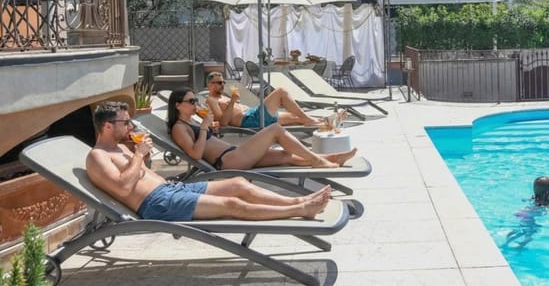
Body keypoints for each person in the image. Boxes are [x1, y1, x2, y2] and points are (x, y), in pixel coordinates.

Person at [85, 102, 331, 221]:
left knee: (238, 183)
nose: (130, 126)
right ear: (107, 126)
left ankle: (299, 199)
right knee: (231, 203)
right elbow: (124, 187)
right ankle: (300, 210)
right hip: (157, 203)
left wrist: (141, 155)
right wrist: (139, 154)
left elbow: (138, 174)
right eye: (125, 122)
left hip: (171, 189)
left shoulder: (119, 147)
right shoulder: (98, 156)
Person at [168, 88, 357, 170]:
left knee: (285, 155)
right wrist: (203, 129)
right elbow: (195, 154)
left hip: (235, 154)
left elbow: (206, 142)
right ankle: (319, 161)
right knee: (275, 129)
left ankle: (333, 158)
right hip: (228, 160)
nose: (195, 103)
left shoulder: (191, 121)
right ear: (178, 105)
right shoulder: (179, 128)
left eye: (195, 100)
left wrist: (209, 129)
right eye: (191, 101)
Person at [205, 71, 323, 128]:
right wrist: (232, 101)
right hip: (250, 119)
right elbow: (223, 123)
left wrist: (233, 101)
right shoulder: (211, 100)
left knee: (296, 118)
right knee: (281, 91)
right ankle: (309, 119)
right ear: (210, 85)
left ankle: (324, 121)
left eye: (223, 82)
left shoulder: (222, 96)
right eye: (219, 83)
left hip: (253, 113)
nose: (223, 85)